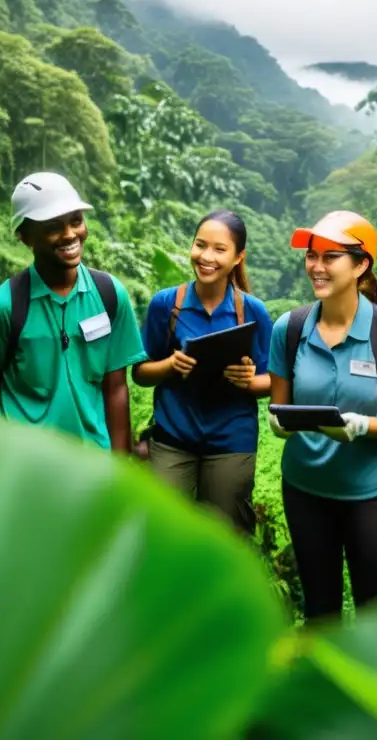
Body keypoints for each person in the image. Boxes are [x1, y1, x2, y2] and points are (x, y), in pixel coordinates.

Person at [266, 211, 377, 623]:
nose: (316, 267)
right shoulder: (291, 328)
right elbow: (278, 406)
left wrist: (363, 425)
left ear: (361, 265)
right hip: (304, 489)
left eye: (330, 256)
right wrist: (278, 423)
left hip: (367, 495)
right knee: (320, 612)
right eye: (311, 255)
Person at [0, 171, 147, 454]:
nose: (70, 234)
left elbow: (116, 388)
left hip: (92, 466)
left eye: (76, 221)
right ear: (25, 237)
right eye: (53, 227)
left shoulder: (110, 295)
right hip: (24, 467)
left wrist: (120, 470)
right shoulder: (4, 307)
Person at [132, 210, 274, 533]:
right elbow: (140, 372)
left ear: (239, 257)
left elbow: (273, 381)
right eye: (200, 245)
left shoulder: (252, 311)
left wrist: (249, 381)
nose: (206, 257)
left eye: (219, 249)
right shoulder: (166, 304)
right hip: (172, 437)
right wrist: (169, 366)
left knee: (225, 534)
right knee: (165, 529)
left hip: (231, 440)